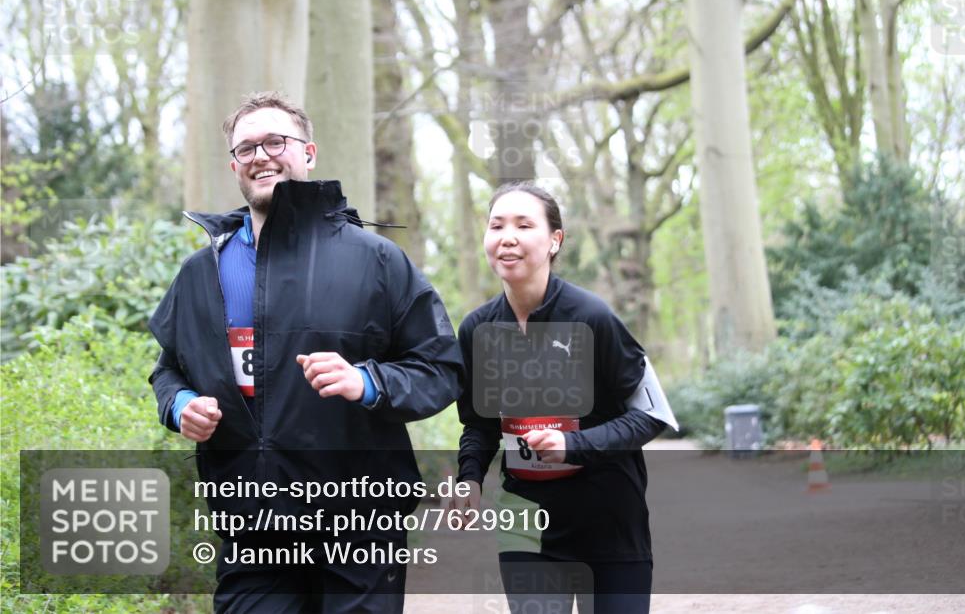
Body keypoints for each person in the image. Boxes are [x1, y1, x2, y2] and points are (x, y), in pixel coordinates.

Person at [148, 91, 463, 613]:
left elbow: (441, 369)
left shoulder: (377, 261)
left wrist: (369, 383)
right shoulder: (201, 273)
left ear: (309, 154)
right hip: (251, 521)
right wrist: (180, 406)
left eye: (276, 141)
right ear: (234, 166)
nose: (261, 155)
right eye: (246, 147)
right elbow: (169, 370)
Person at [449, 182, 674, 614]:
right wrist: (470, 478)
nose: (507, 236)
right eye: (496, 225)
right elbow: (478, 424)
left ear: (555, 240)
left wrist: (575, 445)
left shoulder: (594, 318)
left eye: (523, 224)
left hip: (608, 519)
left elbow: (651, 415)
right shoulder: (477, 329)